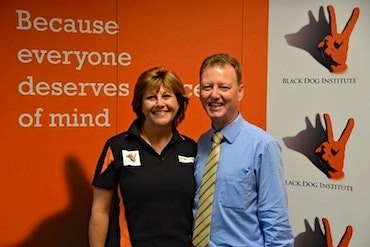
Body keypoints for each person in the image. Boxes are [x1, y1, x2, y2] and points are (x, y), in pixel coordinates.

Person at [192, 53, 294, 246]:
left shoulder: (263, 146)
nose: (214, 94)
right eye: (207, 87)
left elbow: (277, 224)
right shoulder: (203, 143)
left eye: (223, 87)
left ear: (240, 92)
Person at [89, 67, 197, 247]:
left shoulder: (192, 149)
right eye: (151, 97)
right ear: (140, 104)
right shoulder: (117, 147)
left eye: (167, 96)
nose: (160, 103)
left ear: (179, 102)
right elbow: (100, 210)